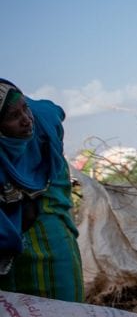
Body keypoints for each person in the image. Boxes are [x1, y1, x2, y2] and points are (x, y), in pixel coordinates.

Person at [0, 79, 84, 302]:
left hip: (48, 188)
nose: (26, 120)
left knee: (58, 255)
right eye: (13, 117)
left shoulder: (43, 119)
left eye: (25, 108)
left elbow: (56, 111)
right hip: (10, 210)